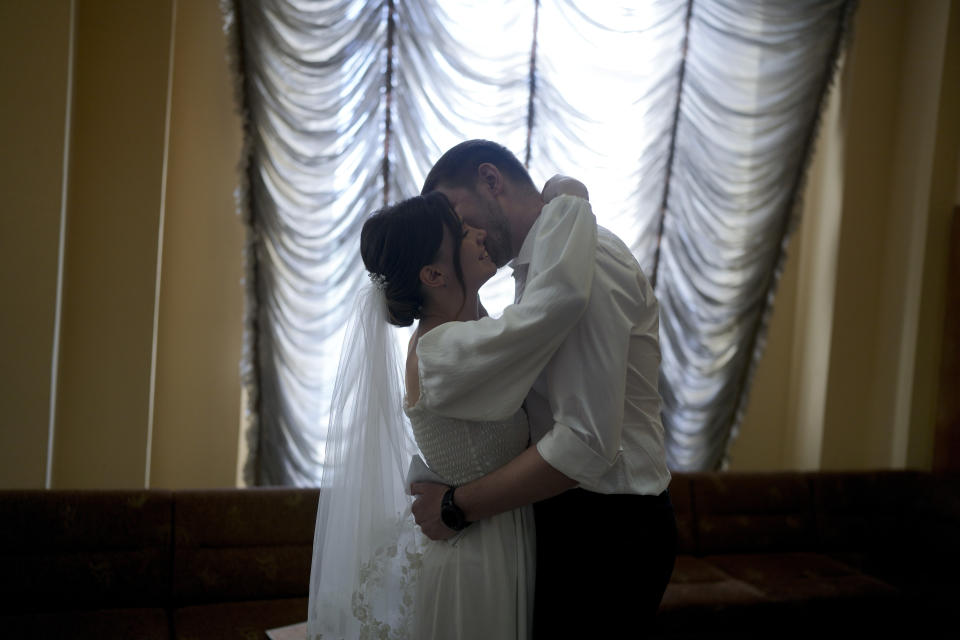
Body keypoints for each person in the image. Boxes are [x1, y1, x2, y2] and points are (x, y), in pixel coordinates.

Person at [306, 178, 598, 639]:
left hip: (500, 541)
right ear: (434, 275)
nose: (481, 233)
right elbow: (557, 303)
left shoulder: (467, 335)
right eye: (463, 232)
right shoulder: (441, 355)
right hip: (476, 564)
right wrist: (572, 203)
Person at [411, 140, 678, 638]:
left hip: (610, 528)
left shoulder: (589, 259)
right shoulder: (542, 271)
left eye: (456, 214)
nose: (458, 234)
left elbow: (585, 441)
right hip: (563, 514)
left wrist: (457, 505)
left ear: (491, 180)